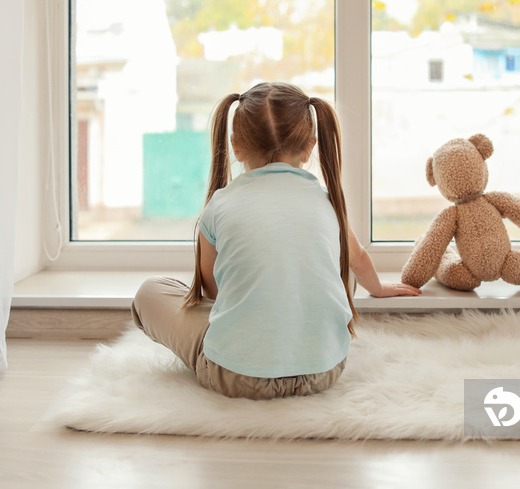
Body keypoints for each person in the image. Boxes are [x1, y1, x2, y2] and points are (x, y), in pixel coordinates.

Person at [132, 82, 420, 401]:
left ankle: (252, 343)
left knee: (150, 292)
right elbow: (359, 261)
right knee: (341, 264)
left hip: (235, 376)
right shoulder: (328, 202)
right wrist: (378, 289)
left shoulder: (220, 203)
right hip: (324, 372)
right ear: (310, 146)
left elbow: (214, 292)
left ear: (235, 146)